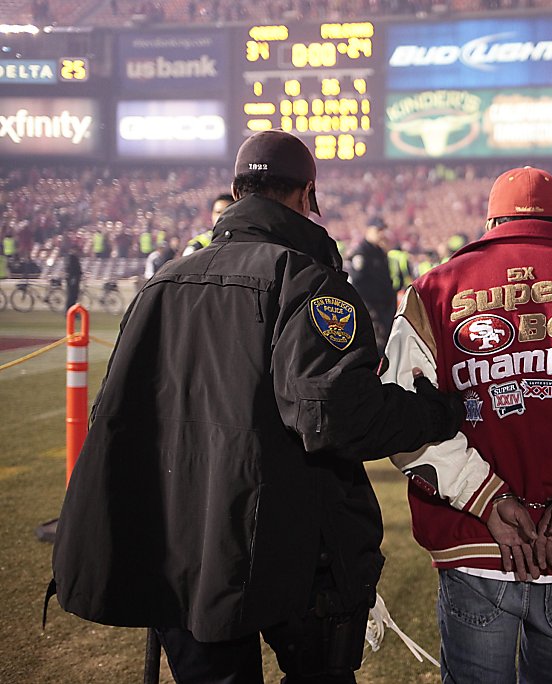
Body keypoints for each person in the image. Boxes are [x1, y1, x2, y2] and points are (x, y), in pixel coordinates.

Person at [51, 129, 465, 684]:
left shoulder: (162, 284)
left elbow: (117, 414)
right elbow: (336, 416)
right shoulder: (309, 281)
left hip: (180, 545)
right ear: (304, 196)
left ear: (237, 191)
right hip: (289, 545)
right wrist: (434, 413)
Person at [380, 166, 552, 684]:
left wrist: (488, 497)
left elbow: (399, 417)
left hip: (474, 533)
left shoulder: (434, 289)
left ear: (492, 218)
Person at [348, 216, 397, 354]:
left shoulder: (379, 252)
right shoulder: (362, 252)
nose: (381, 234)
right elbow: (357, 281)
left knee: (386, 340)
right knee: (378, 342)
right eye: (378, 230)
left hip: (383, 306)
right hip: (370, 306)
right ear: (369, 230)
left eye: (382, 230)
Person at [181, 193, 233, 257]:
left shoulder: (245, 240)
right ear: (211, 215)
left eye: (227, 212)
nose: (221, 216)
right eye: (218, 212)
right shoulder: (199, 245)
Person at [64, 244, 81, 311]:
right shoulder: (71, 257)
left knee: (74, 295)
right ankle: (69, 310)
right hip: (73, 278)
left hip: (74, 278)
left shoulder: (72, 257)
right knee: (72, 295)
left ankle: (72, 310)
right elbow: (72, 269)